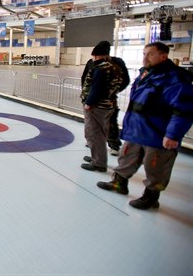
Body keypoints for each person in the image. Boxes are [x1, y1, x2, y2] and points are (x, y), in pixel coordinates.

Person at [97, 42, 193, 210]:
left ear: (163, 56)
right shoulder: (146, 74)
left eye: (150, 54)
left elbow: (183, 110)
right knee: (126, 157)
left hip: (156, 132)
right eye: (144, 54)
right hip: (136, 129)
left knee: (155, 166)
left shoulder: (175, 78)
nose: (145, 58)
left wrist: (173, 134)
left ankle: (151, 197)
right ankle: (119, 184)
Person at [80, 41, 124, 172]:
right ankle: (97, 157)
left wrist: (89, 103)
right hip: (108, 105)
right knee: (101, 132)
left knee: (94, 133)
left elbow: (96, 87)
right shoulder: (114, 67)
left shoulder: (100, 69)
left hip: (97, 106)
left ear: (97, 56)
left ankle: (98, 163)